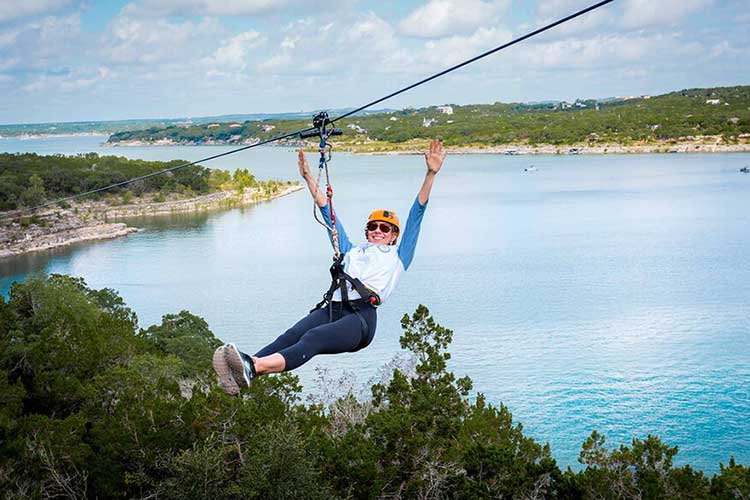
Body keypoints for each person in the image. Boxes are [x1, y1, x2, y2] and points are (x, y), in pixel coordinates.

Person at [213, 139, 447, 395]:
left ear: (394, 236)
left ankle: (253, 367)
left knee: (312, 340)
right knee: (290, 336)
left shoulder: (399, 257)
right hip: (332, 309)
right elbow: (327, 211)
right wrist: (308, 177)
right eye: (373, 226)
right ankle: (242, 373)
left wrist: (431, 173)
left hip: (360, 319)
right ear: (367, 231)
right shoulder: (351, 251)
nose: (378, 230)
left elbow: (417, 214)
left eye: (385, 228)